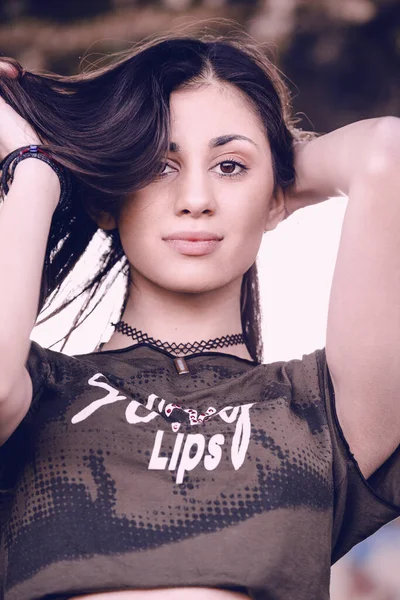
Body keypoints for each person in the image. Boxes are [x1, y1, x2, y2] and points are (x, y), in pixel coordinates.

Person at [0, 30, 399, 600]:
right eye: (160, 165)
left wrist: (278, 181)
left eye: (230, 167)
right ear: (107, 200)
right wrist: (34, 172)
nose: (195, 198)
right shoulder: (37, 391)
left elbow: (386, 153)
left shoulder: (326, 413)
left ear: (274, 195)